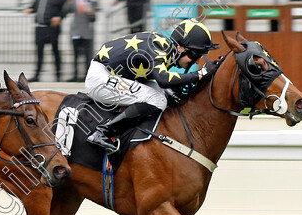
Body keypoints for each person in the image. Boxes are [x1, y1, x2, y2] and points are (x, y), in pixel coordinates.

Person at [84, 19, 221, 154]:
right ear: (180, 48)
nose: (197, 60)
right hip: (100, 78)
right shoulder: (159, 47)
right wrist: (201, 73)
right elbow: (163, 79)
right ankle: (102, 132)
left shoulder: (168, 49)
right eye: (195, 54)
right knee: (158, 100)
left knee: (168, 95)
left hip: (114, 75)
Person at [24, 0, 67, 82]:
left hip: (52, 28)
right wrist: (30, 9)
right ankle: (37, 74)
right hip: (40, 27)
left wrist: (59, 17)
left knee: (55, 51)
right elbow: (34, 5)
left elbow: (66, 8)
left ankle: (58, 75)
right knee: (39, 52)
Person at [63, 0, 97, 82]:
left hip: (86, 33)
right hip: (76, 32)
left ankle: (87, 76)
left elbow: (93, 19)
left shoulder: (90, 3)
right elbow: (65, 11)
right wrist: (69, 0)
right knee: (75, 56)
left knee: (88, 56)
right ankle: (75, 75)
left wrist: (91, 12)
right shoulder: (72, 3)